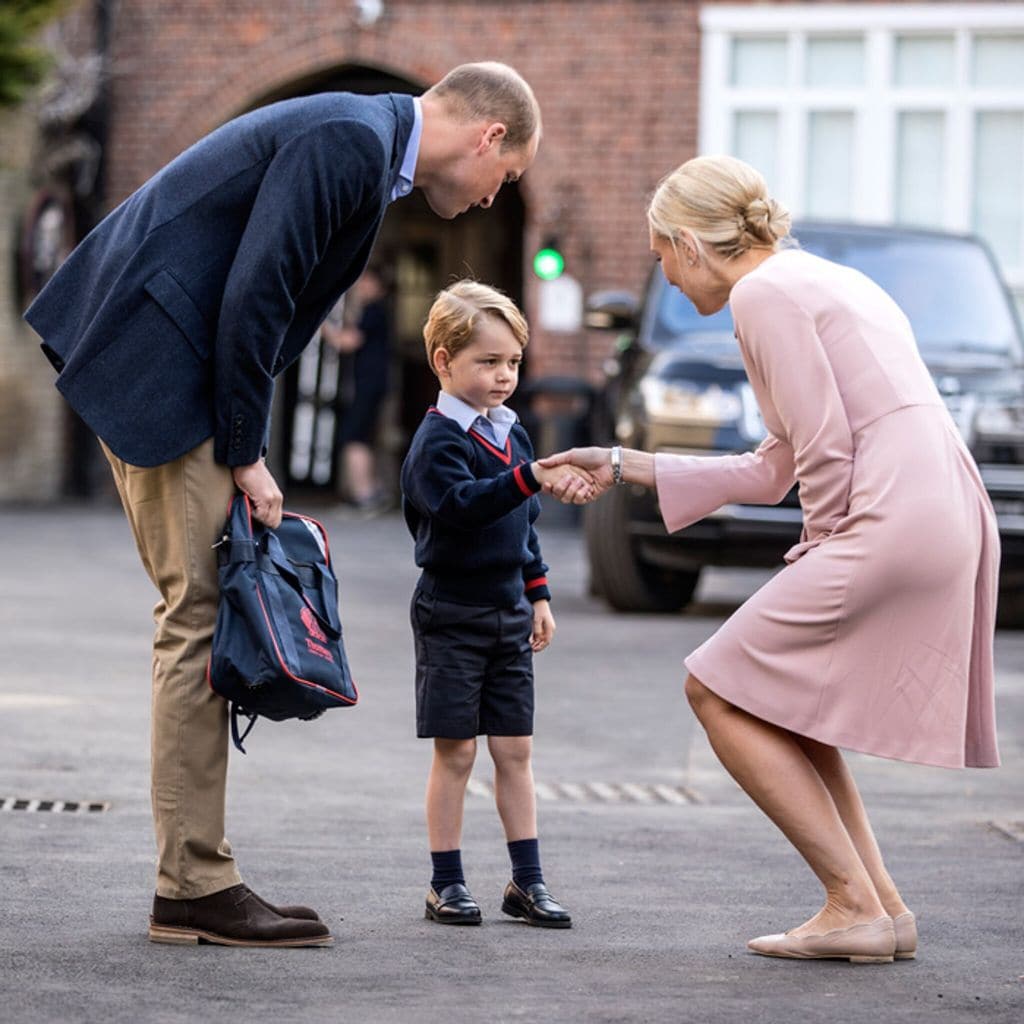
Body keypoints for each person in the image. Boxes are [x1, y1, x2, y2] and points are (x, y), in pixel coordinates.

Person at [23, 62, 541, 948]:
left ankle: (194, 879)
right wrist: (245, 450)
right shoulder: (351, 139)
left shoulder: (365, 143)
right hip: (165, 370)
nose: (498, 198)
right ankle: (192, 884)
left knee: (195, 611)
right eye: (510, 177)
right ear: (488, 137)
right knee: (195, 617)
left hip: (167, 364)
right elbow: (255, 295)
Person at [541, 155, 1000, 963]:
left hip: (887, 515)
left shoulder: (762, 294)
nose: (671, 284)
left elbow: (821, 449)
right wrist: (619, 462)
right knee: (791, 705)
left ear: (689, 243)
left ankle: (851, 902)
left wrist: (820, 547)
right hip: (941, 505)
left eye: (660, 261)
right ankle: (881, 908)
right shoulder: (820, 280)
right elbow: (771, 463)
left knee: (714, 687)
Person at [400, 281, 592, 929]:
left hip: (509, 612)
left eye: (513, 361)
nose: (504, 375)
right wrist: (526, 479)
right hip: (450, 612)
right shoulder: (437, 443)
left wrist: (538, 595)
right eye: (488, 361)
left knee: (515, 752)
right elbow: (462, 508)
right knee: (456, 753)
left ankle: (527, 883)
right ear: (443, 362)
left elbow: (523, 525)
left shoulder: (512, 434)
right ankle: (445, 883)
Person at [321, 266, 393, 511]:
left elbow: (347, 342)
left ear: (377, 285)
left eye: (365, 282)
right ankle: (370, 491)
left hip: (367, 384)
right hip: (370, 384)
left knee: (353, 436)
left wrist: (319, 325)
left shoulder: (373, 310)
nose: (359, 287)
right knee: (361, 436)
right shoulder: (375, 311)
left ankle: (365, 494)